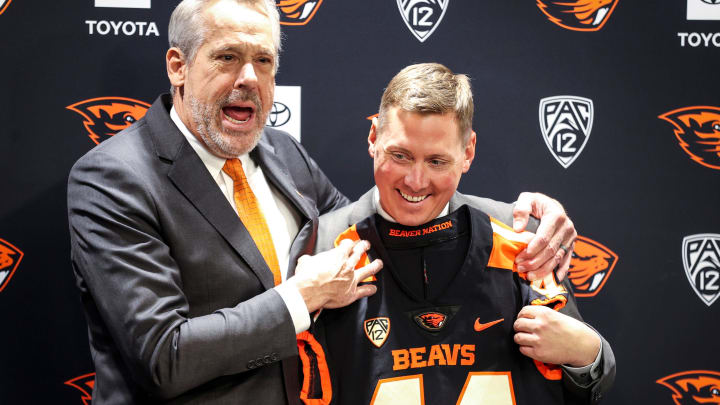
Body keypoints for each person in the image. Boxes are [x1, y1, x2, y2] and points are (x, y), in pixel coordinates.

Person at [67, 1, 580, 403]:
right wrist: (302, 297)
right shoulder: (112, 178)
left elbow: (384, 221)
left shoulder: (280, 153)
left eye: (263, 60)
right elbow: (163, 357)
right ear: (178, 65)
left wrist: (516, 214)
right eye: (227, 57)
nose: (248, 77)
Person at [304, 63, 615, 404]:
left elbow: (592, 378)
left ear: (467, 153)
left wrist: (588, 352)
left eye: (436, 162)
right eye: (400, 155)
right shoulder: (319, 244)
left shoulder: (520, 240)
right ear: (373, 137)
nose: (415, 181)